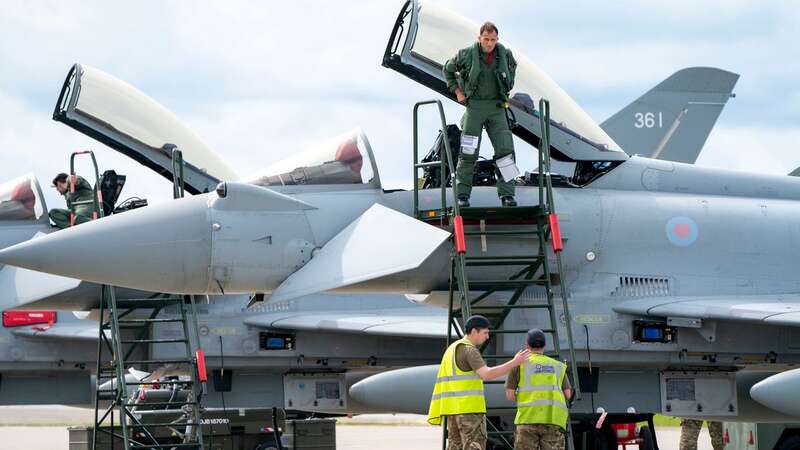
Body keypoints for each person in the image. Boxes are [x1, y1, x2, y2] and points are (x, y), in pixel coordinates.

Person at [443, 21, 519, 208]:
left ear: (497, 39)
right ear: (479, 38)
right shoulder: (466, 54)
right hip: (474, 108)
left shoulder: (505, 55)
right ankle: (462, 196)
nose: (489, 43)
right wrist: (458, 93)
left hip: (497, 108)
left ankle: (507, 195)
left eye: (493, 40)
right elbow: (447, 70)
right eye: (486, 39)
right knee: (468, 152)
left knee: (506, 151)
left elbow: (512, 73)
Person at [428, 315, 531, 450]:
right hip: (470, 412)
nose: (487, 337)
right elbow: (487, 374)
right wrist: (514, 362)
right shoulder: (469, 350)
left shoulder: (452, 349)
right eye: (485, 332)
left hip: (454, 411)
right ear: (474, 331)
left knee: (455, 447)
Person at [505, 329, 572, 450]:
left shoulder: (518, 365)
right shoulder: (558, 366)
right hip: (553, 419)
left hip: (527, 419)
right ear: (544, 345)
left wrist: (527, 401)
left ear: (527, 344)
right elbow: (568, 394)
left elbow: (510, 395)